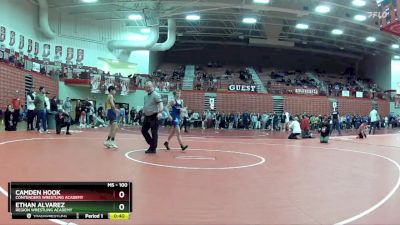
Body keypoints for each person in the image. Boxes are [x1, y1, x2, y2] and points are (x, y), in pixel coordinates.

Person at [141, 81, 163, 154]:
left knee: (154, 133)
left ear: (153, 87)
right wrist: (143, 115)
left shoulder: (156, 95)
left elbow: (160, 104)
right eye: (147, 87)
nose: (148, 88)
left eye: (150, 87)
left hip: (154, 116)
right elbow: (145, 106)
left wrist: (160, 112)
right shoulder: (145, 96)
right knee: (143, 130)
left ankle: (153, 149)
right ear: (145, 88)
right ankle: (152, 144)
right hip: (147, 117)